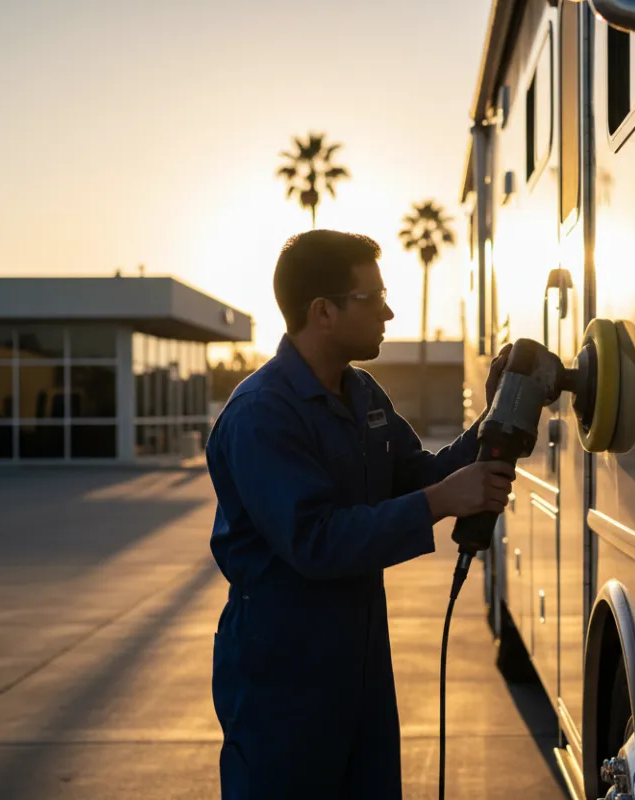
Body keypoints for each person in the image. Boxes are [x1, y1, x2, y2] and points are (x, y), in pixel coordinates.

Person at [205, 229, 515, 798]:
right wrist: (443, 502)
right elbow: (315, 542)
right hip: (283, 671)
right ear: (323, 311)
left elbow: (421, 474)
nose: (389, 312)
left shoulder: (364, 394)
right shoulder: (261, 416)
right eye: (372, 299)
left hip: (361, 662)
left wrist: (497, 414)